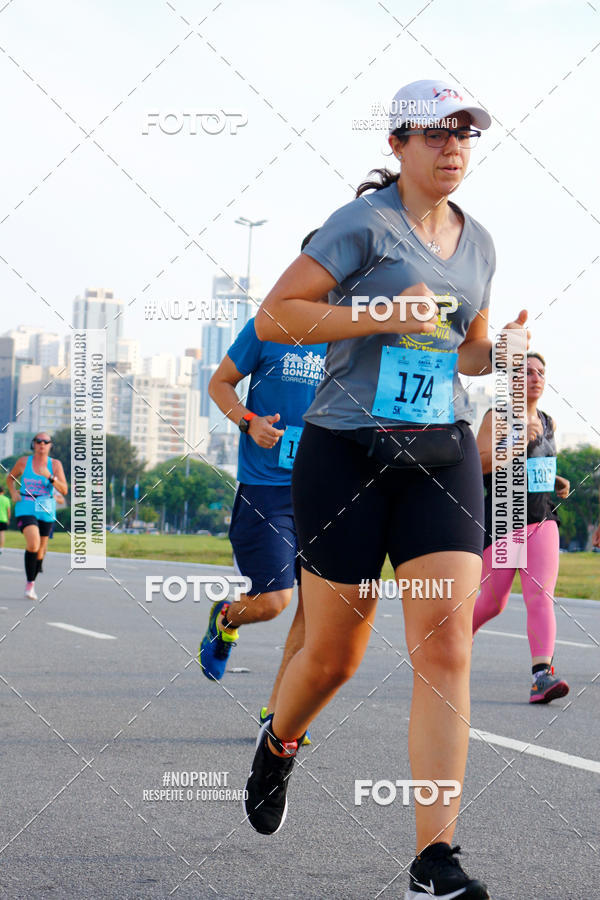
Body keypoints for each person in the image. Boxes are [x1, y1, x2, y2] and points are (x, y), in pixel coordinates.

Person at [242, 79, 529, 900]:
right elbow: (275, 317)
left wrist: (498, 353)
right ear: (398, 145)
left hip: (439, 454)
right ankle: (279, 744)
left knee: (446, 649)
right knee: (333, 657)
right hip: (346, 453)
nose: (452, 148)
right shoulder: (360, 225)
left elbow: (465, 352)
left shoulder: (480, 244)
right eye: (434, 135)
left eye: (465, 135)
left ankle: (434, 861)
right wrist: (373, 313)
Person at [199, 232, 327, 742]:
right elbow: (219, 384)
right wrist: (249, 420)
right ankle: (227, 615)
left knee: (315, 613)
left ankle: (278, 714)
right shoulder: (268, 325)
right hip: (266, 491)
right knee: (274, 601)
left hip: (323, 490)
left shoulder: (350, 336)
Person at [472, 352, 570, 703]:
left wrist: (554, 480)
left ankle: (541, 676)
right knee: (492, 602)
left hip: (543, 519)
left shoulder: (549, 422)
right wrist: (516, 441)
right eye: (526, 372)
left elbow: (534, 465)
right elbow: (478, 465)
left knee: (540, 595)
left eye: (541, 372)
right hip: (504, 518)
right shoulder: (497, 417)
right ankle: (450, 640)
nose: (535, 377)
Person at [8, 432, 68, 599]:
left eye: (46, 441)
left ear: (50, 445)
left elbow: (64, 490)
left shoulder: (55, 465)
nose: (42, 444)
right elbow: (10, 478)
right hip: (25, 506)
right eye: (38, 441)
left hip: (46, 508)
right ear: (33, 444)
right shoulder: (23, 462)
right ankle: (30, 585)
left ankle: (38, 564)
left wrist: (49, 476)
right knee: (33, 544)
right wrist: (13, 492)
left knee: (41, 549)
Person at [0, 486, 11, 553]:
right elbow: (8, 511)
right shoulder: (6, 499)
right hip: (3, 519)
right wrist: (8, 519)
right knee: (1, 534)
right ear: (3, 492)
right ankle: (0, 548)